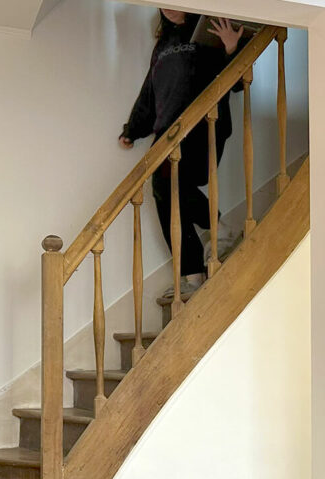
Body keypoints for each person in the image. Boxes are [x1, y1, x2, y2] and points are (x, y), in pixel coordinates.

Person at [120, 10, 245, 298]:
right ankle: (192, 274)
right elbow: (149, 92)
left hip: (203, 121)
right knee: (164, 197)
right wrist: (133, 129)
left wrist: (230, 48)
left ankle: (217, 230)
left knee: (168, 185)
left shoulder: (207, 27)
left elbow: (235, 80)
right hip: (169, 133)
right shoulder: (162, 45)